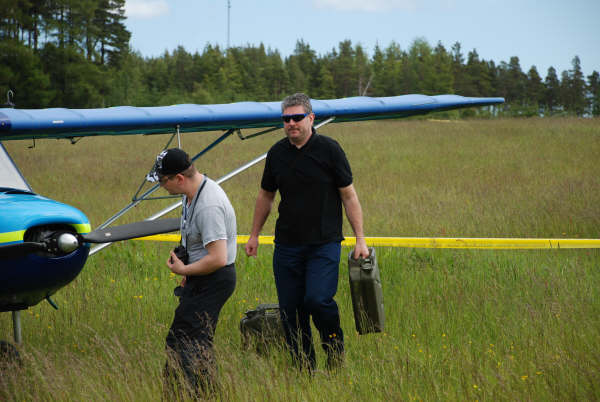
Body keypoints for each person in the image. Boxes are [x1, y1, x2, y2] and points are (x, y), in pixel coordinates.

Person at [244, 93, 369, 371]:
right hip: (287, 245)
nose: (291, 123)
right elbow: (266, 196)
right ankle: (304, 369)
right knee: (291, 311)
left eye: (297, 117)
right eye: (286, 119)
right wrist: (254, 235)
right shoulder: (276, 154)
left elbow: (349, 196)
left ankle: (335, 353)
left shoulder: (330, 150)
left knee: (317, 300)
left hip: (324, 244)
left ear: (311, 118)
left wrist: (360, 239)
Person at [147, 148, 237, 396]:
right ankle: (175, 393)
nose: (162, 187)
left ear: (179, 178)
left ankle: (204, 395)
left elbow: (218, 258)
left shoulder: (208, 205)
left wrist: (184, 268)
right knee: (178, 339)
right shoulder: (191, 195)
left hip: (215, 279)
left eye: (163, 181)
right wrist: (188, 269)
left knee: (192, 342)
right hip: (201, 276)